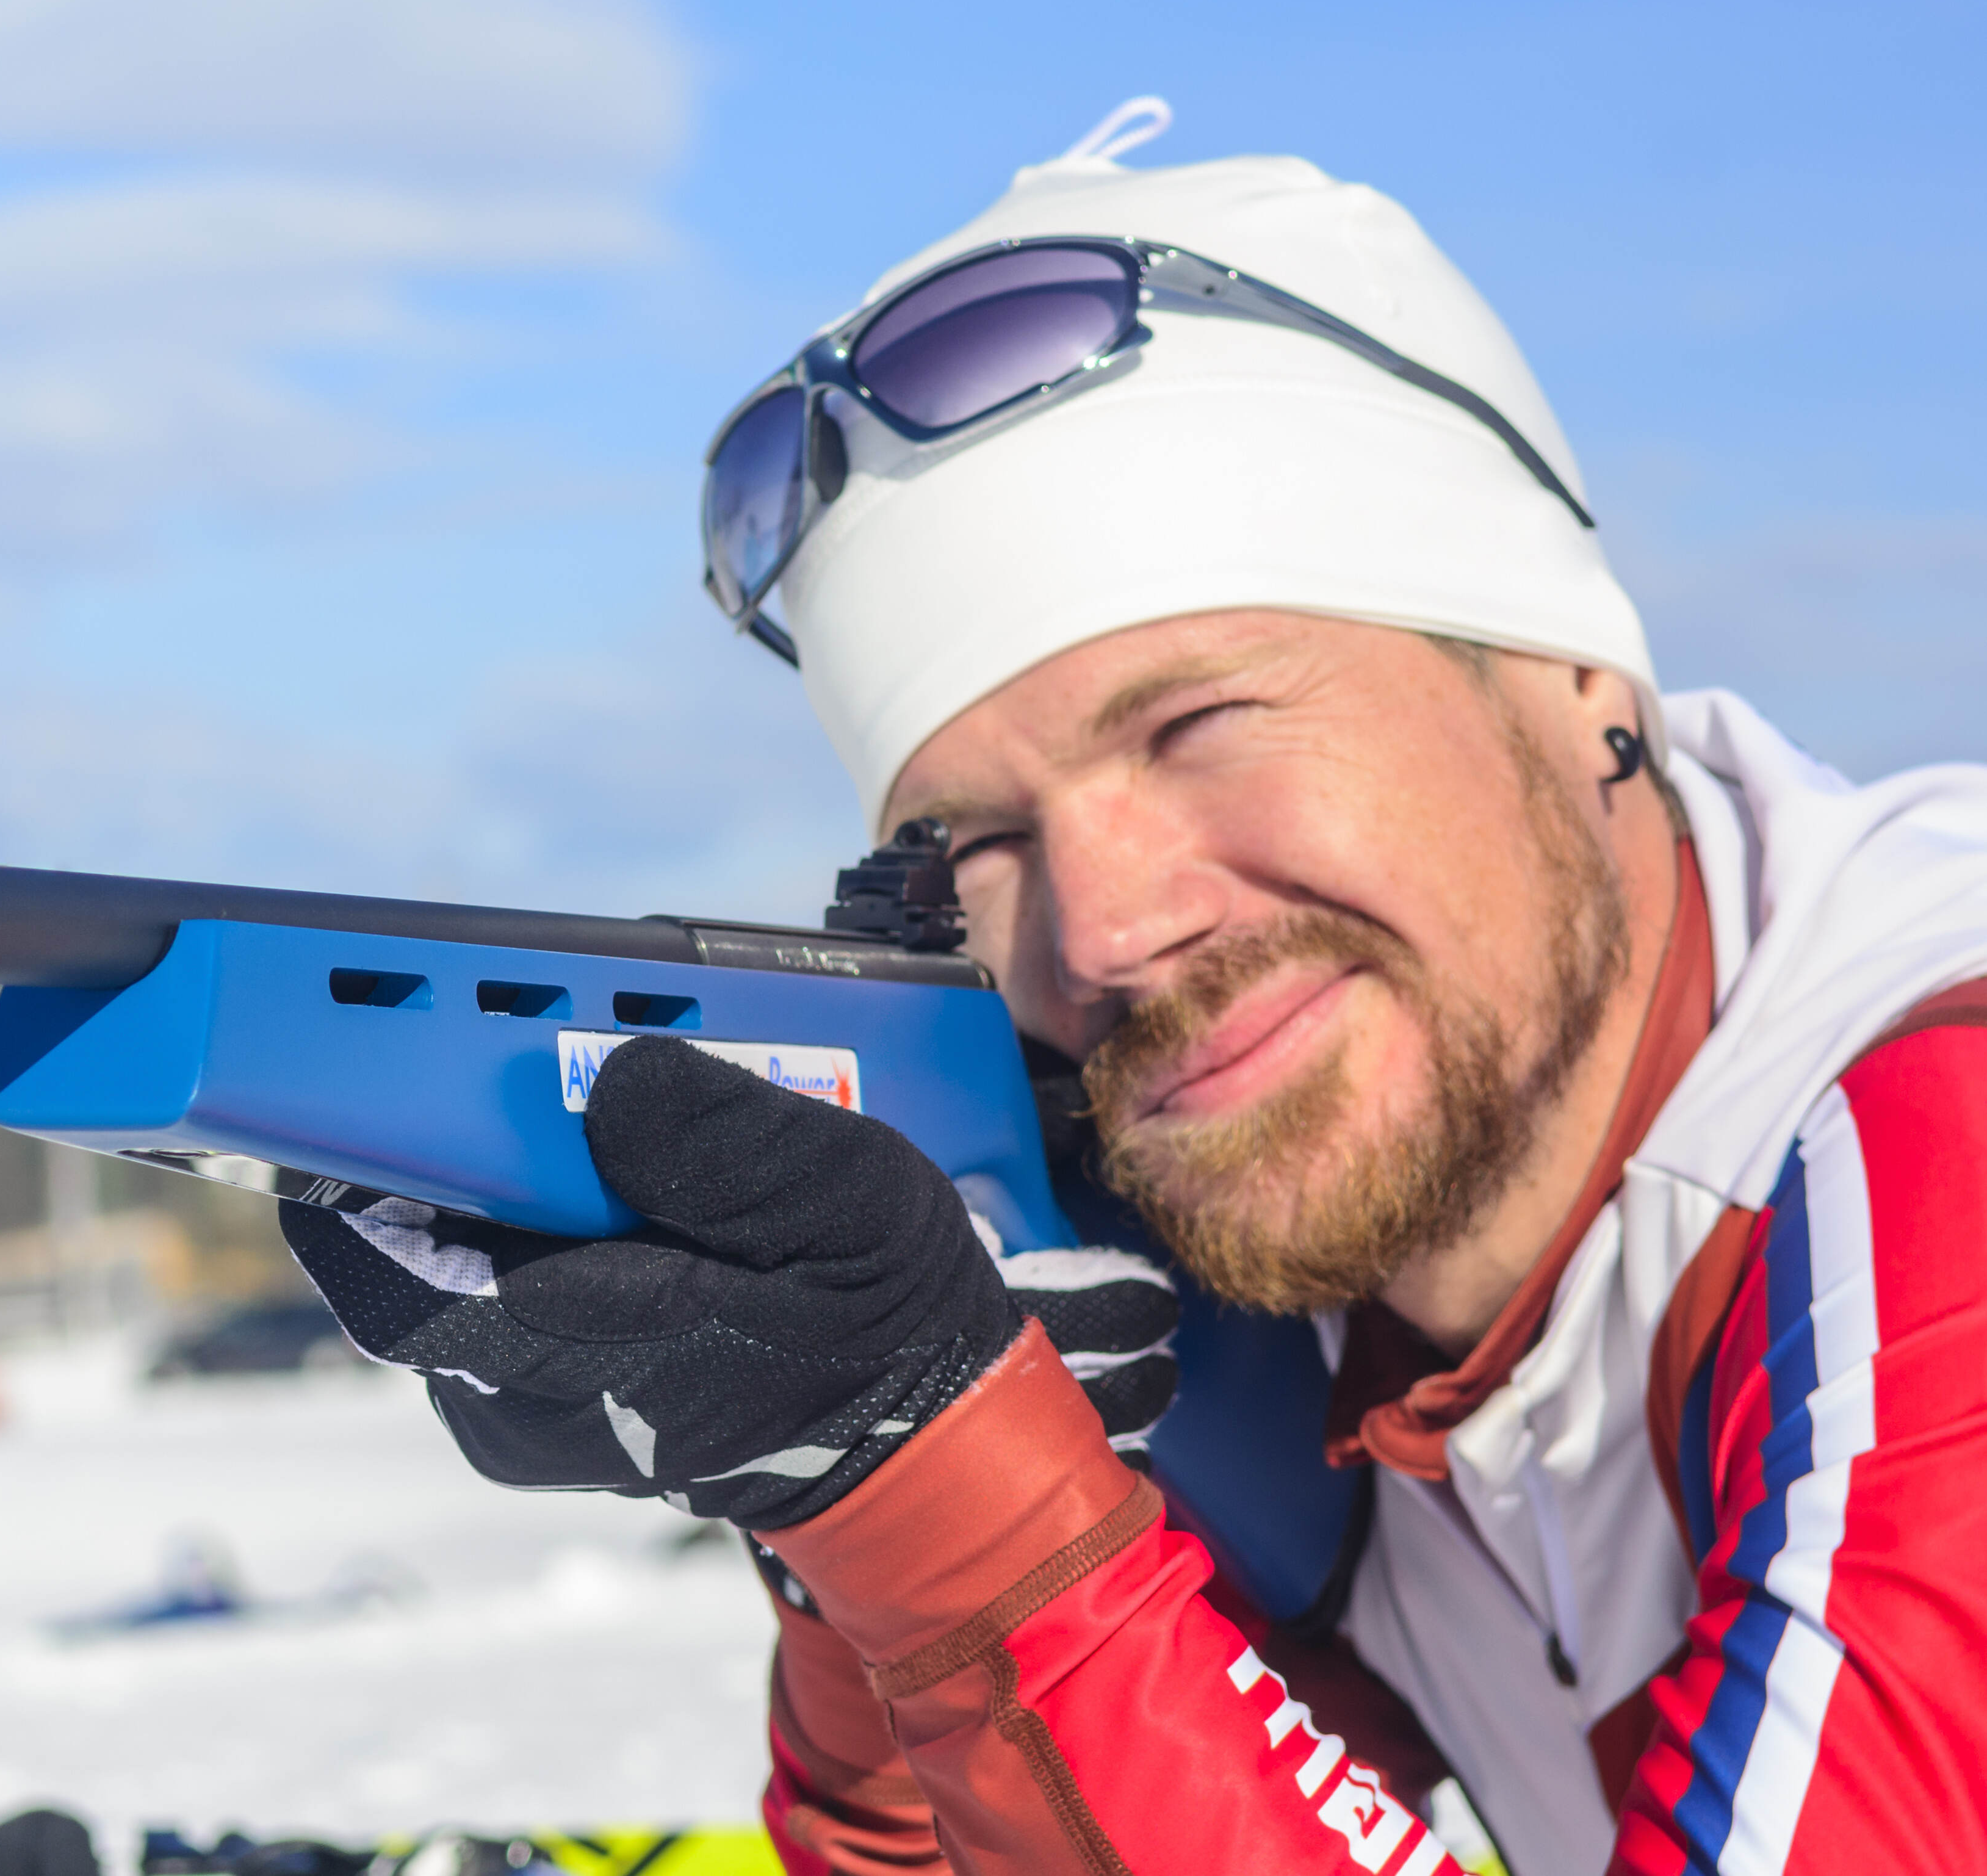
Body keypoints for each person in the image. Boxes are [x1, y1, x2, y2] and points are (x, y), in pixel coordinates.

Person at [278, 99, 1987, 1875]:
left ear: (1572, 675)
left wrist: (961, 1509)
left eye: (1199, 724)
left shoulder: (1942, 1123)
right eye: (974, 841)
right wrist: (853, 1516)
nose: (1101, 933)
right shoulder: (1267, 1293)